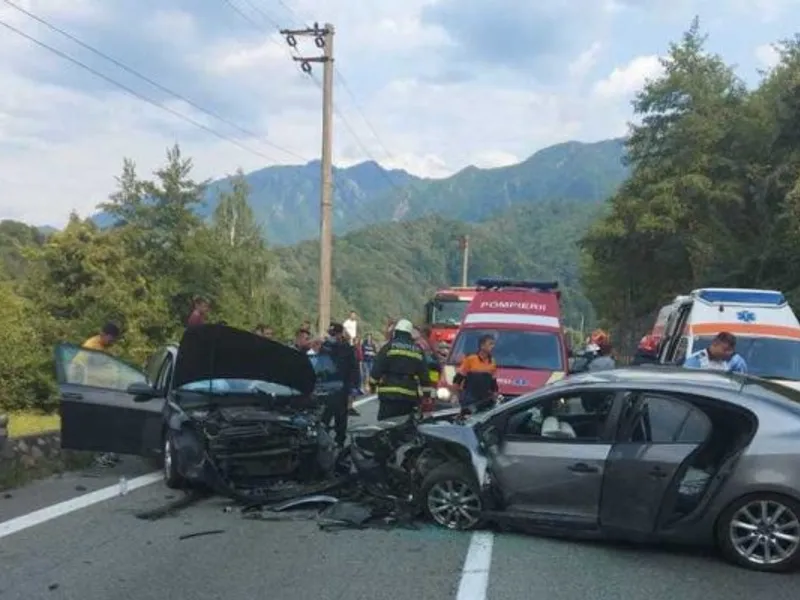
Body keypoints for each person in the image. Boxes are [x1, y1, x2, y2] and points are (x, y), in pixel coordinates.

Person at [369, 318, 432, 421]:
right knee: (405, 427)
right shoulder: (417, 350)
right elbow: (424, 376)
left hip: (388, 395)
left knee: (384, 427)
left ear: (396, 332)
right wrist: (427, 396)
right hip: (408, 396)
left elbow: (377, 369)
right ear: (409, 333)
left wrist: (372, 386)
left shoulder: (388, 347)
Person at [320, 323, 359, 446]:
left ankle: (339, 443)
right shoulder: (325, 347)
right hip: (328, 388)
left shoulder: (346, 348)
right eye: (331, 334)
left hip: (341, 388)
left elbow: (353, 368)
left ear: (339, 334)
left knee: (340, 418)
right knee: (324, 418)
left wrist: (353, 387)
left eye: (334, 334)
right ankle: (322, 441)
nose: (332, 336)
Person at [452, 334, 498, 415]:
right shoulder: (471, 359)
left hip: (484, 399)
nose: (493, 346)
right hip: (469, 398)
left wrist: (495, 394)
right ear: (482, 346)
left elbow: (493, 382)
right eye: (490, 344)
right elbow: (458, 378)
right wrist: (455, 395)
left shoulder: (492, 361)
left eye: (493, 344)